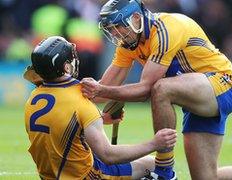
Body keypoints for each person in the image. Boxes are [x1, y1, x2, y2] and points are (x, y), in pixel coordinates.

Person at [81, 0, 232, 179]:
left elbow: (145, 90)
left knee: (161, 88)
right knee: (206, 177)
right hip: (196, 97)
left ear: (136, 18)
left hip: (224, 84)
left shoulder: (165, 29)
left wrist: (105, 92)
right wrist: (73, 95)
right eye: (113, 30)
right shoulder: (129, 45)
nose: (118, 34)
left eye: (120, 27)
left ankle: (164, 171)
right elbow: (102, 90)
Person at [24, 36, 177, 179]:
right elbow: (107, 155)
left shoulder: (33, 97)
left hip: (49, 175)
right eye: (71, 58)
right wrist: (154, 143)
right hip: (84, 175)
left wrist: (101, 118)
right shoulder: (82, 99)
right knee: (152, 164)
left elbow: (58, 122)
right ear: (66, 67)